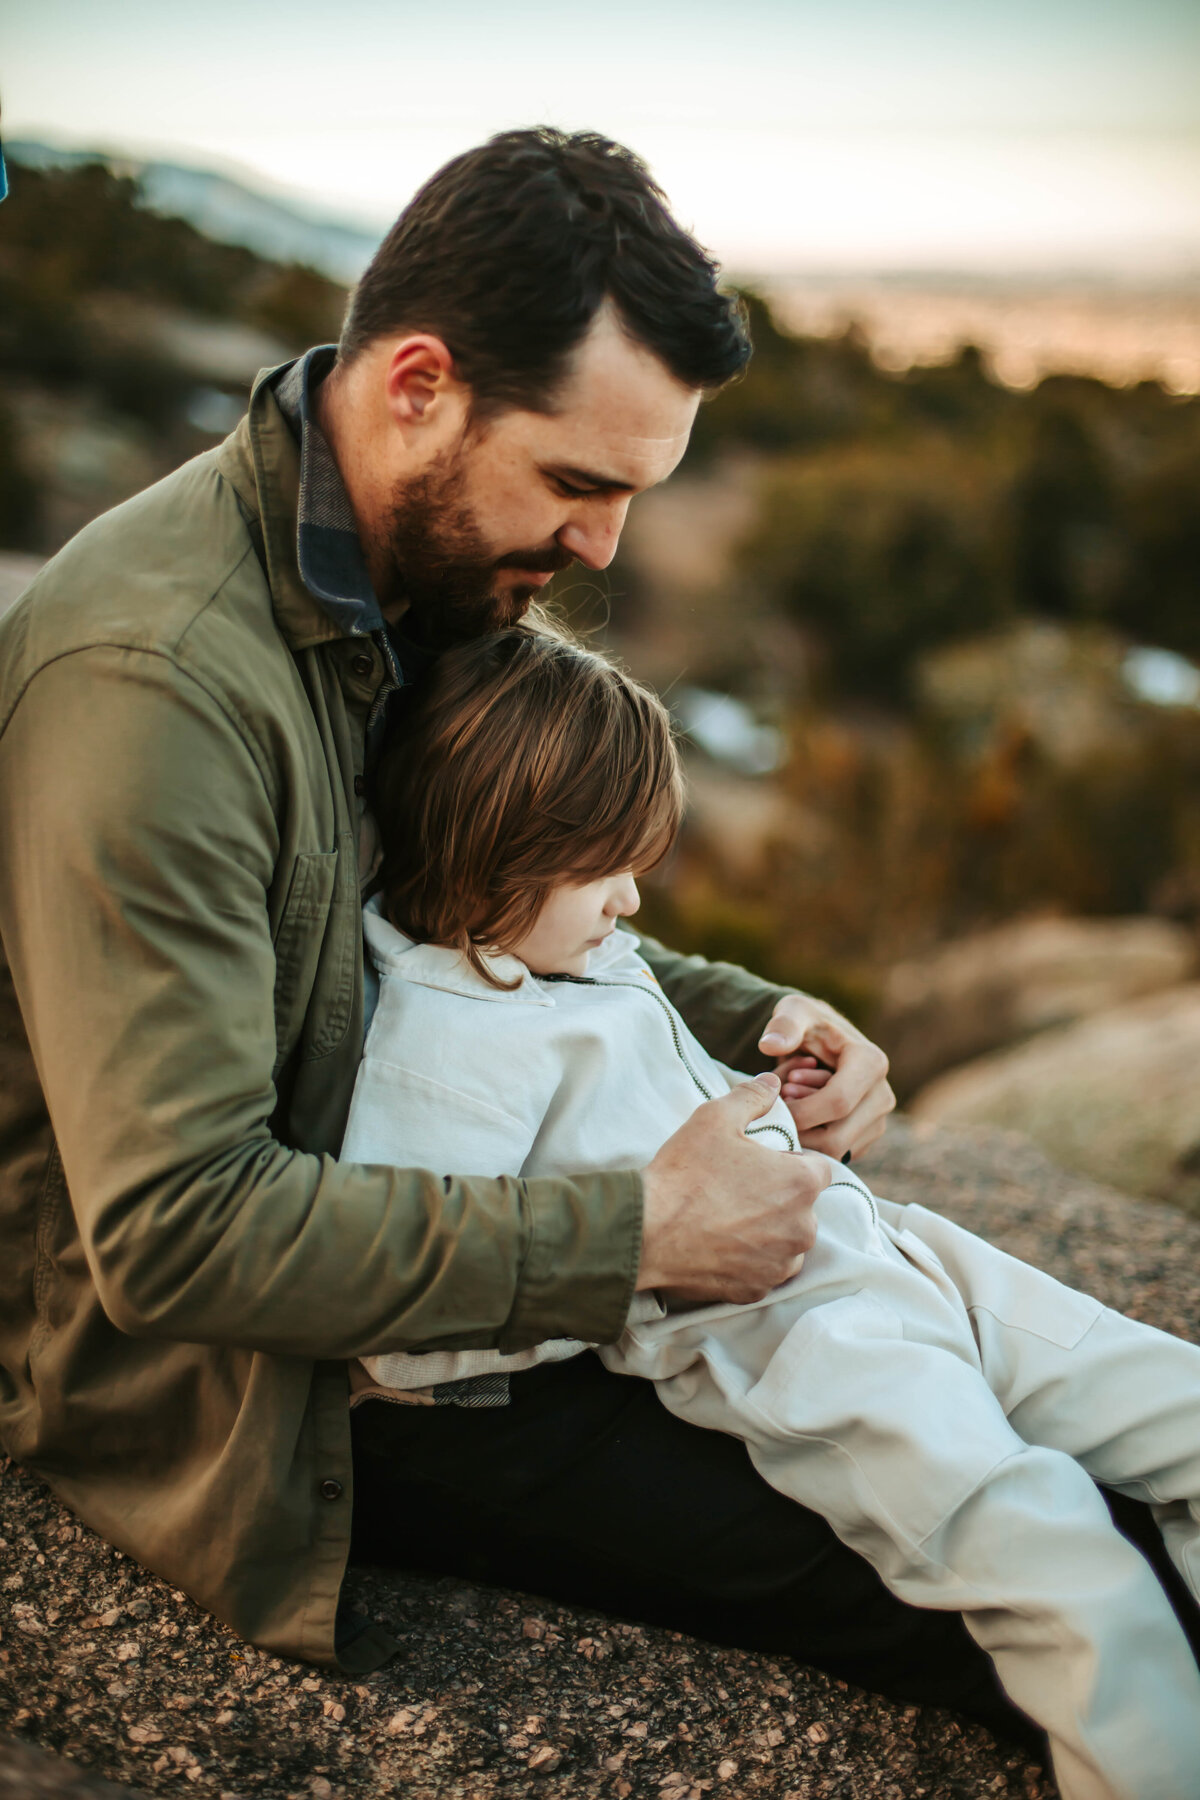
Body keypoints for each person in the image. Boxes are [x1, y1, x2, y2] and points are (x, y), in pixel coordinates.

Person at [0, 125, 1141, 1746]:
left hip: (460, 1231)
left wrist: (758, 1020)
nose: (606, 545)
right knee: (1016, 1568)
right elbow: (178, 1234)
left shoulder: (400, 568)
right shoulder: (155, 690)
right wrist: (641, 1236)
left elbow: (457, 905)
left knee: (1087, 1445)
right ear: (419, 386)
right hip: (287, 1386)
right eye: (582, 482)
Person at [343, 624, 1200, 1800]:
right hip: (807, 1348)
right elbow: (412, 1340)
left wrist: (771, 1081)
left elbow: (641, 1064)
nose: (634, 896)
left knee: (1177, 1405)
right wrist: (640, 1268)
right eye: (607, 870)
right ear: (500, 852)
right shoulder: (438, 1042)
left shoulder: (555, 943)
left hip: (902, 1254)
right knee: (1052, 1561)